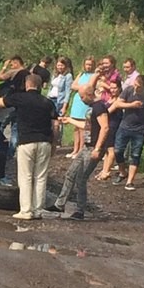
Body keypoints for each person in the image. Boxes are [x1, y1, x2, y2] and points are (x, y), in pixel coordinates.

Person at [0, 73, 59, 220]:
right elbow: (56, 126)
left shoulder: (20, 98)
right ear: (40, 86)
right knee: (40, 177)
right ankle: (38, 210)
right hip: (44, 142)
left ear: (27, 85)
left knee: (26, 176)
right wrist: (53, 144)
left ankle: (26, 211)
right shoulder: (48, 103)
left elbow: (0, 103)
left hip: (27, 141)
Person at [45, 84, 109, 220]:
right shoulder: (92, 108)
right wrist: (70, 120)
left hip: (93, 148)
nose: (81, 99)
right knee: (70, 174)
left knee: (81, 178)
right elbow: (87, 127)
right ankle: (59, 204)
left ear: (90, 94)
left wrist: (98, 148)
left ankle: (80, 211)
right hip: (86, 147)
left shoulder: (99, 107)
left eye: (82, 96)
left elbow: (105, 127)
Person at [112, 74, 144, 190]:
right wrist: (131, 105)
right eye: (135, 85)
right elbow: (117, 103)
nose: (136, 88)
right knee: (117, 150)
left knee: (135, 154)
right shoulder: (128, 90)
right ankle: (122, 172)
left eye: (139, 87)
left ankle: (130, 181)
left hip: (140, 129)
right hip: (125, 126)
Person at [0, 56, 30, 156]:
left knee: (1, 125)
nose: (11, 66)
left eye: (11, 64)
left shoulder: (13, 72)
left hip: (11, 103)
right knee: (15, 129)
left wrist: (4, 67)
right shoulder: (29, 74)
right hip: (22, 104)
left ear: (16, 63)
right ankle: (11, 153)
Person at [67, 56, 96, 159]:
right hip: (77, 100)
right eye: (87, 64)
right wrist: (81, 87)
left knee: (82, 126)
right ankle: (75, 149)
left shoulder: (94, 75)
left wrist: (80, 87)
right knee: (75, 126)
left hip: (85, 101)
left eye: (90, 65)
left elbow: (89, 87)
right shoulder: (81, 74)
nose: (88, 66)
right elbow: (72, 85)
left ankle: (80, 149)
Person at [95, 78, 123, 181]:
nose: (112, 90)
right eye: (111, 88)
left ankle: (107, 171)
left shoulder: (119, 100)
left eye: (115, 88)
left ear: (119, 88)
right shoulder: (110, 98)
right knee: (107, 149)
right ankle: (104, 169)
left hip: (113, 125)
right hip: (108, 124)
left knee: (111, 150)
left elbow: (107, 112)